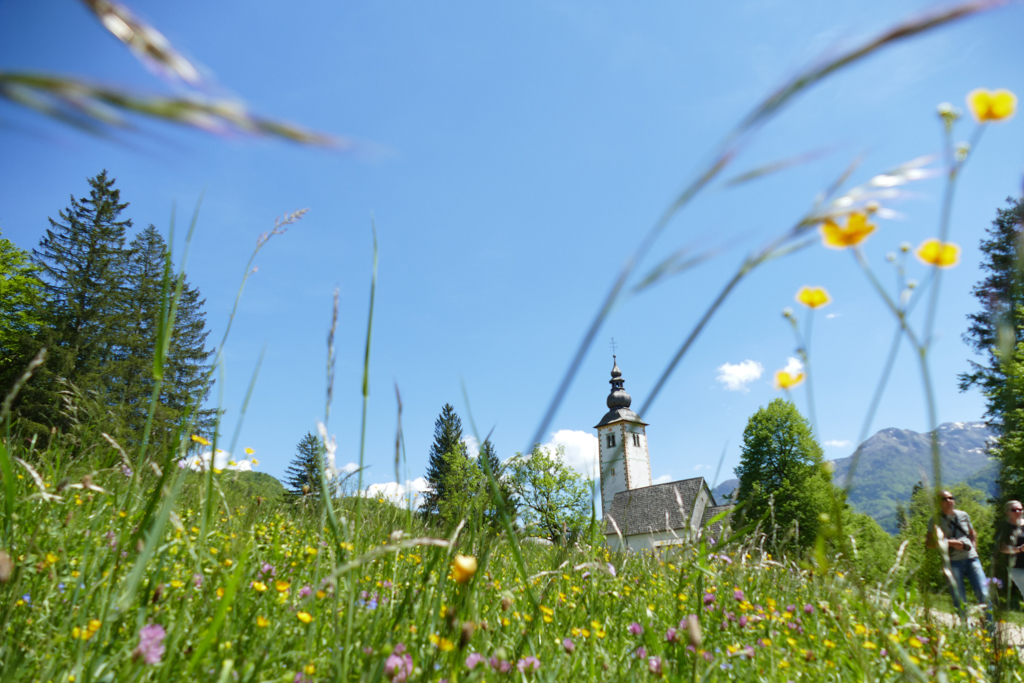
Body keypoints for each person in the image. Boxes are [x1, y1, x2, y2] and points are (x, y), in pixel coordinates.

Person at [925, 490, 989, 618]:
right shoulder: (935, 520)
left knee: (984, 593)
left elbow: (972, 532)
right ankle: (966, 630)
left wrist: (974, 547)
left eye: (951, 498)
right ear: (938, 503)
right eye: (944, 499)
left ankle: (990, 631)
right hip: (952, 562)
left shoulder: (963, 515)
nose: (949, 501)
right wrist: (949, 542)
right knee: (959, 599)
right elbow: (929, 543)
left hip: (971, 559)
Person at [993, 499, 1024, 609]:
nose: (1018, 512)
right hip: (1017, 567)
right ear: (1007, 512)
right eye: (1014, 510)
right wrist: (1019, 549)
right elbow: (1002, 548)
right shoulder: (1004, 527)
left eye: (1020, 509)